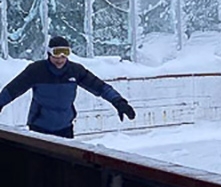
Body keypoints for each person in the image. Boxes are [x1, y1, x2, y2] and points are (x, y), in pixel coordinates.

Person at [0, 36, 136, 139]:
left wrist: (118, 101)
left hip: (65, 129)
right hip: (39, 129)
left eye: (64, 54)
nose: (60, 59)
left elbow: (100, 87)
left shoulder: (75, 71)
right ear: (49, 53)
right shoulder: (36, 70)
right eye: (56, 54)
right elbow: (12, 90)